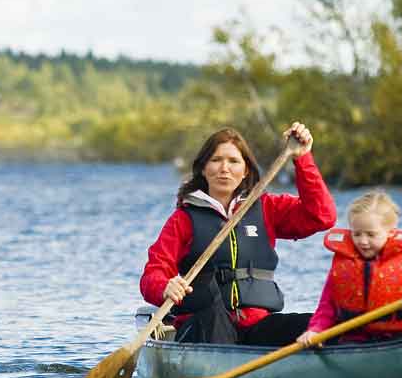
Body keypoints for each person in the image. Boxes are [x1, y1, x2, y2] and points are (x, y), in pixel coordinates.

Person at [141, 122, 336, 346]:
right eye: (216, 160)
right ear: (204, 168)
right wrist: (165, 286)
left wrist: (303, 159)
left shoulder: (266, 208)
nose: (224, 168)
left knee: (321, 326)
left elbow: (322, 216)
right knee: (213, 313)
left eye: (233, 161)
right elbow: (152, 274)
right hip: (203, 327)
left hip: (256, 327)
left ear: (246, 171)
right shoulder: (183, 219)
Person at [296, 189, 402, 345]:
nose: (363, 241)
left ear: (391, 233)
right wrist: (315, 330)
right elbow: (326, 307)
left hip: (397, 337)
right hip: (353, 340)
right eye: (357, 234)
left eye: (371, 234)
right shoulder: (343, 264)